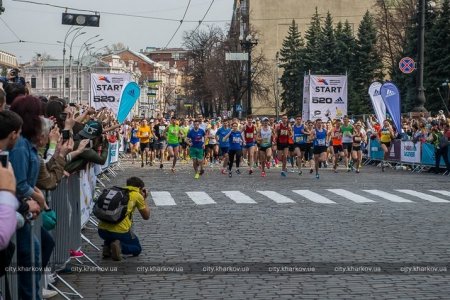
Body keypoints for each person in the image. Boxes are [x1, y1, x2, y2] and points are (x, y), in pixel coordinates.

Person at [98, 177, 150, 261]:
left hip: (101, 231)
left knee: (111, 235)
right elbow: (146, 216)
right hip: (120, 232)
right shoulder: (137, 195)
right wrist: (144, 199)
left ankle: (107, 247)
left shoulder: (118, 192)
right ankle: (119, 247)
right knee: (137, 248)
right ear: (140, 188)